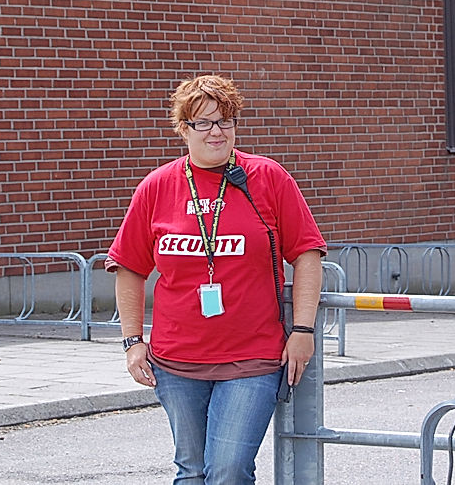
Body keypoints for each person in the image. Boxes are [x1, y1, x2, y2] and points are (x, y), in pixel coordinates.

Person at [107, 74, 327, 485]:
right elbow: (130, 268)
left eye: (226, 121)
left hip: (252, 359)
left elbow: (307, 254)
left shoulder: (268, 177)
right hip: (175, 363)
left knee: (227, 471)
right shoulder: (157, 186)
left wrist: (303, 328)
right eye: (203, 122)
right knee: (191, 473)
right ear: (183, 129)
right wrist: (132, 342)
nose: (216, 131)